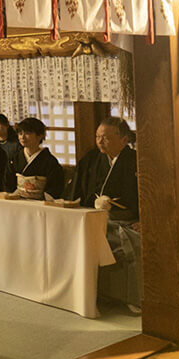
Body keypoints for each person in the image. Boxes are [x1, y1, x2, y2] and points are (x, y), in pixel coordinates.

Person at [69, 116, 141, 312]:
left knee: (127, 244)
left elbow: (149, 195)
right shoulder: (91, 159)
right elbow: (78, 192)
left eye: (106, 138)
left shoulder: (137, 162)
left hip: (125, 220)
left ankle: (131, 297)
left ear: (124, 140)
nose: (100, 141)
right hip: (91, 218)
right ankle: (84, 291)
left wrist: (144, 221)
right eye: (97, 136)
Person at [2, 117, 64, 197]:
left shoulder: (49, 161)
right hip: (17, 200)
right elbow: (8, 182)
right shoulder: (15, 158)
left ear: (39, 136)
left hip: (40, 203)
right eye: (20, 133)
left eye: (27, 133)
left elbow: (55, 187)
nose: (22, 137)